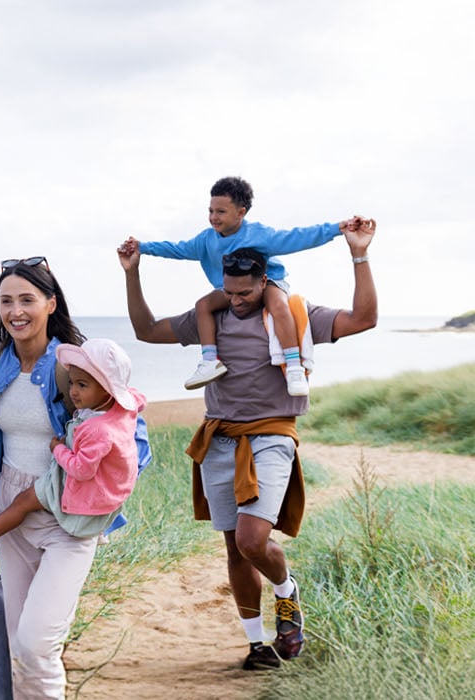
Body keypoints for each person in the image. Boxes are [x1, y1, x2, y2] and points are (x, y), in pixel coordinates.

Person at [117, 217, 379, 671]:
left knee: (253, 540)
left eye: (245, 293)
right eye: (230, 292)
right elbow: (147, 330)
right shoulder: (211, 318)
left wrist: (359, 254)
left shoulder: (294, 313)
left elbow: (364, 319)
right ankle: (257, 644)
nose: (236, 301)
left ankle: (286, 589)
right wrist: (132, 273)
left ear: (264, 282)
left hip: (272, 436)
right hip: (219, 439)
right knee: (235, 549)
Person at [0, 257, 151, 699]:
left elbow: (132, 437)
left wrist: (101, 491)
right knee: (18, 641)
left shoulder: (73, 365)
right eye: (6, 301)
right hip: (11, 507)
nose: (15, 311)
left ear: (50, 303)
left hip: (68, 515)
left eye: (27, 300)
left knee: (37, 642)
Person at [137, 176, 353, 396]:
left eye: (221, 212)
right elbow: (176, 249)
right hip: (230, 288)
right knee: (203, 305)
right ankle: (210, 361)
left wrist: (337, 228)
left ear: (241, 212)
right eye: (211, 211)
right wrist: (142, 247)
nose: (213, 217)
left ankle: (293, 365)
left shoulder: (258, 234)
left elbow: (298, 237)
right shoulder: (205, 240)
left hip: (269, 280)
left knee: (278, 305)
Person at [0, 338, 146, 556]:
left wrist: (57, 450)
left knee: (23, 502)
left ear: (108, 389)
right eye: (71, 383)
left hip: (73, 484)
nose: (73, 392)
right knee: (23, 503)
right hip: (101, 491)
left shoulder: (99, 429)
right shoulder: (118, 412)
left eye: (82, 385)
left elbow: (82, 469)